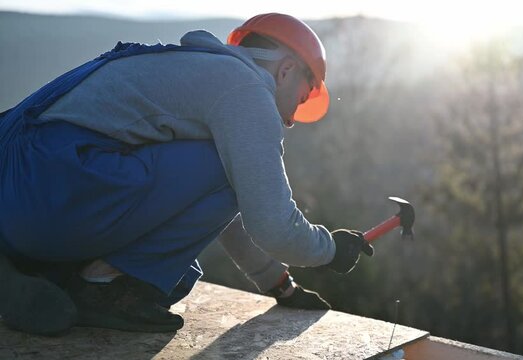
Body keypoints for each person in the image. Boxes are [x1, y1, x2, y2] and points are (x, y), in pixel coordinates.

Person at [0, 13, 374, 335]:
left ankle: (42, 272)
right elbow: (270, 223)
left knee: (174, 269)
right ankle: (99, 289)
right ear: (286, 70)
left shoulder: (203, 69)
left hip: (26, 192)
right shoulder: (245, 89)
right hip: (44, 194)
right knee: (153, 276)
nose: (294, 117)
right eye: (304, 96)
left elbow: (213, 202)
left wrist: (279, 285)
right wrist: (329, 251)